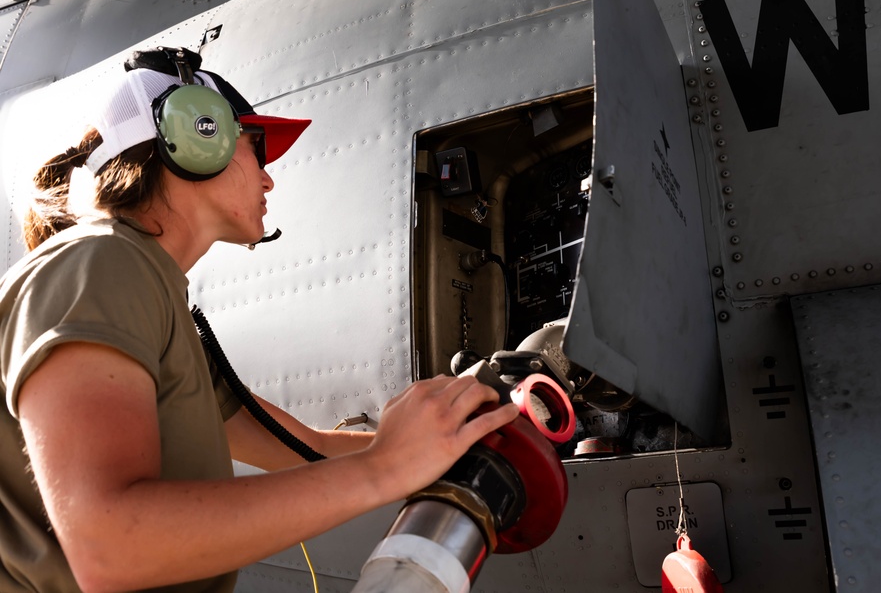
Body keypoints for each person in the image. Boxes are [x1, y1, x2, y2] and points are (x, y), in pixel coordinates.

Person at [0, 47, 518, 592]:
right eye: (257, 150)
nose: (269, 181)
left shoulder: (145, 291)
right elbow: (109, 544)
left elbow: (303, 449)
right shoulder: (100, 264)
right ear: (197, 136)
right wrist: (383, 468)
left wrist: (454, 431)